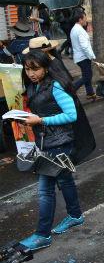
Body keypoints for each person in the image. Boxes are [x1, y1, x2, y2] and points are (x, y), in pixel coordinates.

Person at [18, 50, 85, 250]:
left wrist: (41, 120)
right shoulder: (34, 85)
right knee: (65, 181)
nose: (31, 73)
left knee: (45, 190)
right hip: (46, 142)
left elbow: (71, 114)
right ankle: (75, 215)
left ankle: (42, 234)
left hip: (58, 144)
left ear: (46, 68)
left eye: (35, 69)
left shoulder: (54, 86)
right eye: (27, 69)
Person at [70, 10, 96, 100]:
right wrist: (92, 56)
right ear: (80, 19)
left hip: (80, 57)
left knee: (87, 75)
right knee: (87, 76)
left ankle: (90, 93)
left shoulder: (74, 29)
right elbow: (85, 46)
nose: (86, 20)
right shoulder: (79, 30)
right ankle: (72, 88)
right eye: (85, 18)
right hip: (83, 57)